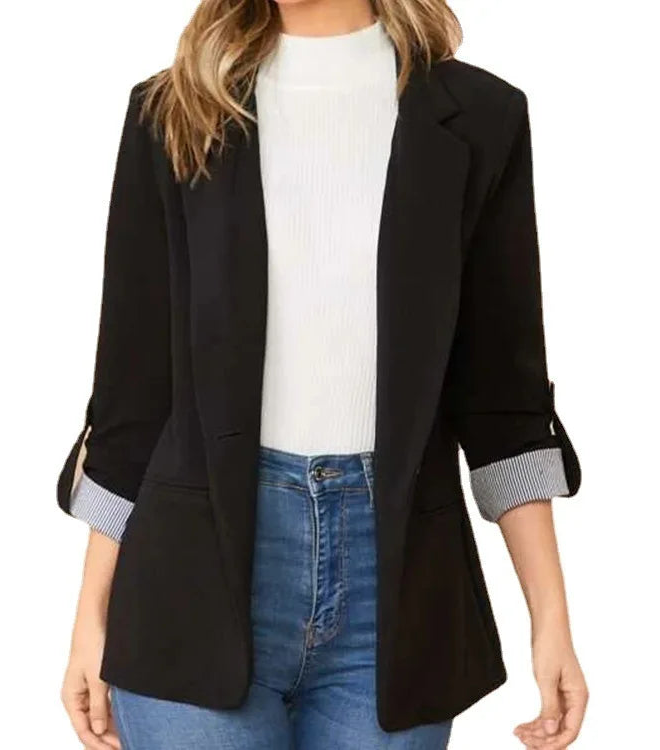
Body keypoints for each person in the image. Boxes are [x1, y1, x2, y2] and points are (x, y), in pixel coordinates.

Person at [57, 1, 588, 748]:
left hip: (396, 595)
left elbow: (504, 399)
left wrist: (551, 621)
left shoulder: (481, 117)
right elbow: (133, 392)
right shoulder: (174, 111)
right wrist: (92, 614)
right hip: (192, 578)